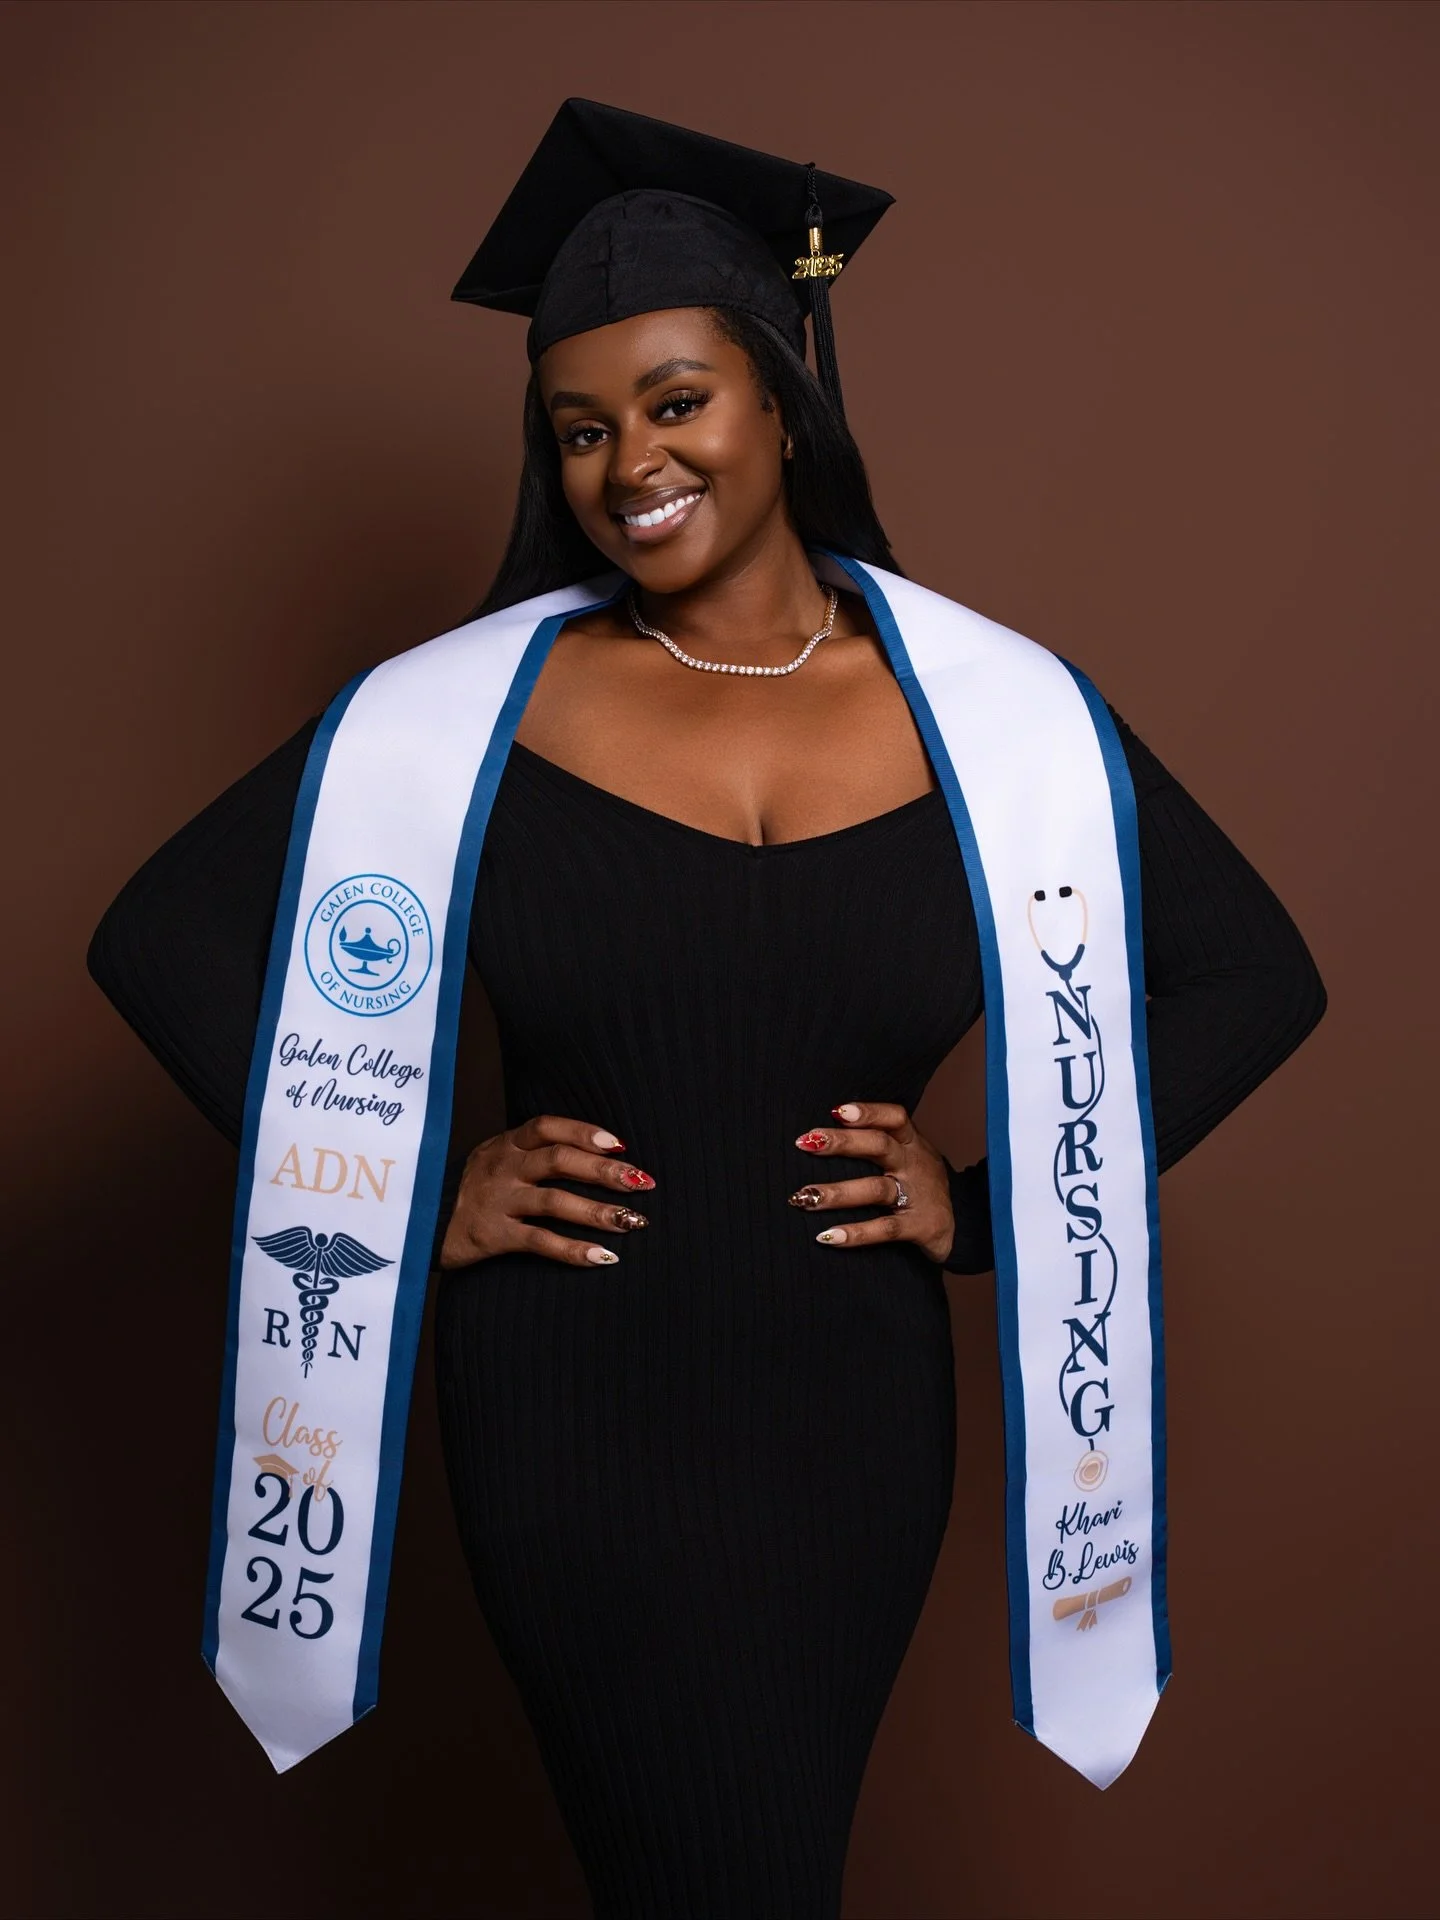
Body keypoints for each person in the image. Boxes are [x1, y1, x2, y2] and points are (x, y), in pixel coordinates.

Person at [88, 98, 1325, 1920]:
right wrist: (422, 1192)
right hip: (572, 1418)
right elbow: (159, 937)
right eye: (579, 428)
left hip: (850, 1432)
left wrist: (976, 1213)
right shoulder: (465, 715)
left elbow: (1252, 977)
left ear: (780, 397)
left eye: (677, 402)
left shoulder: (994, 709)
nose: (628, 463)